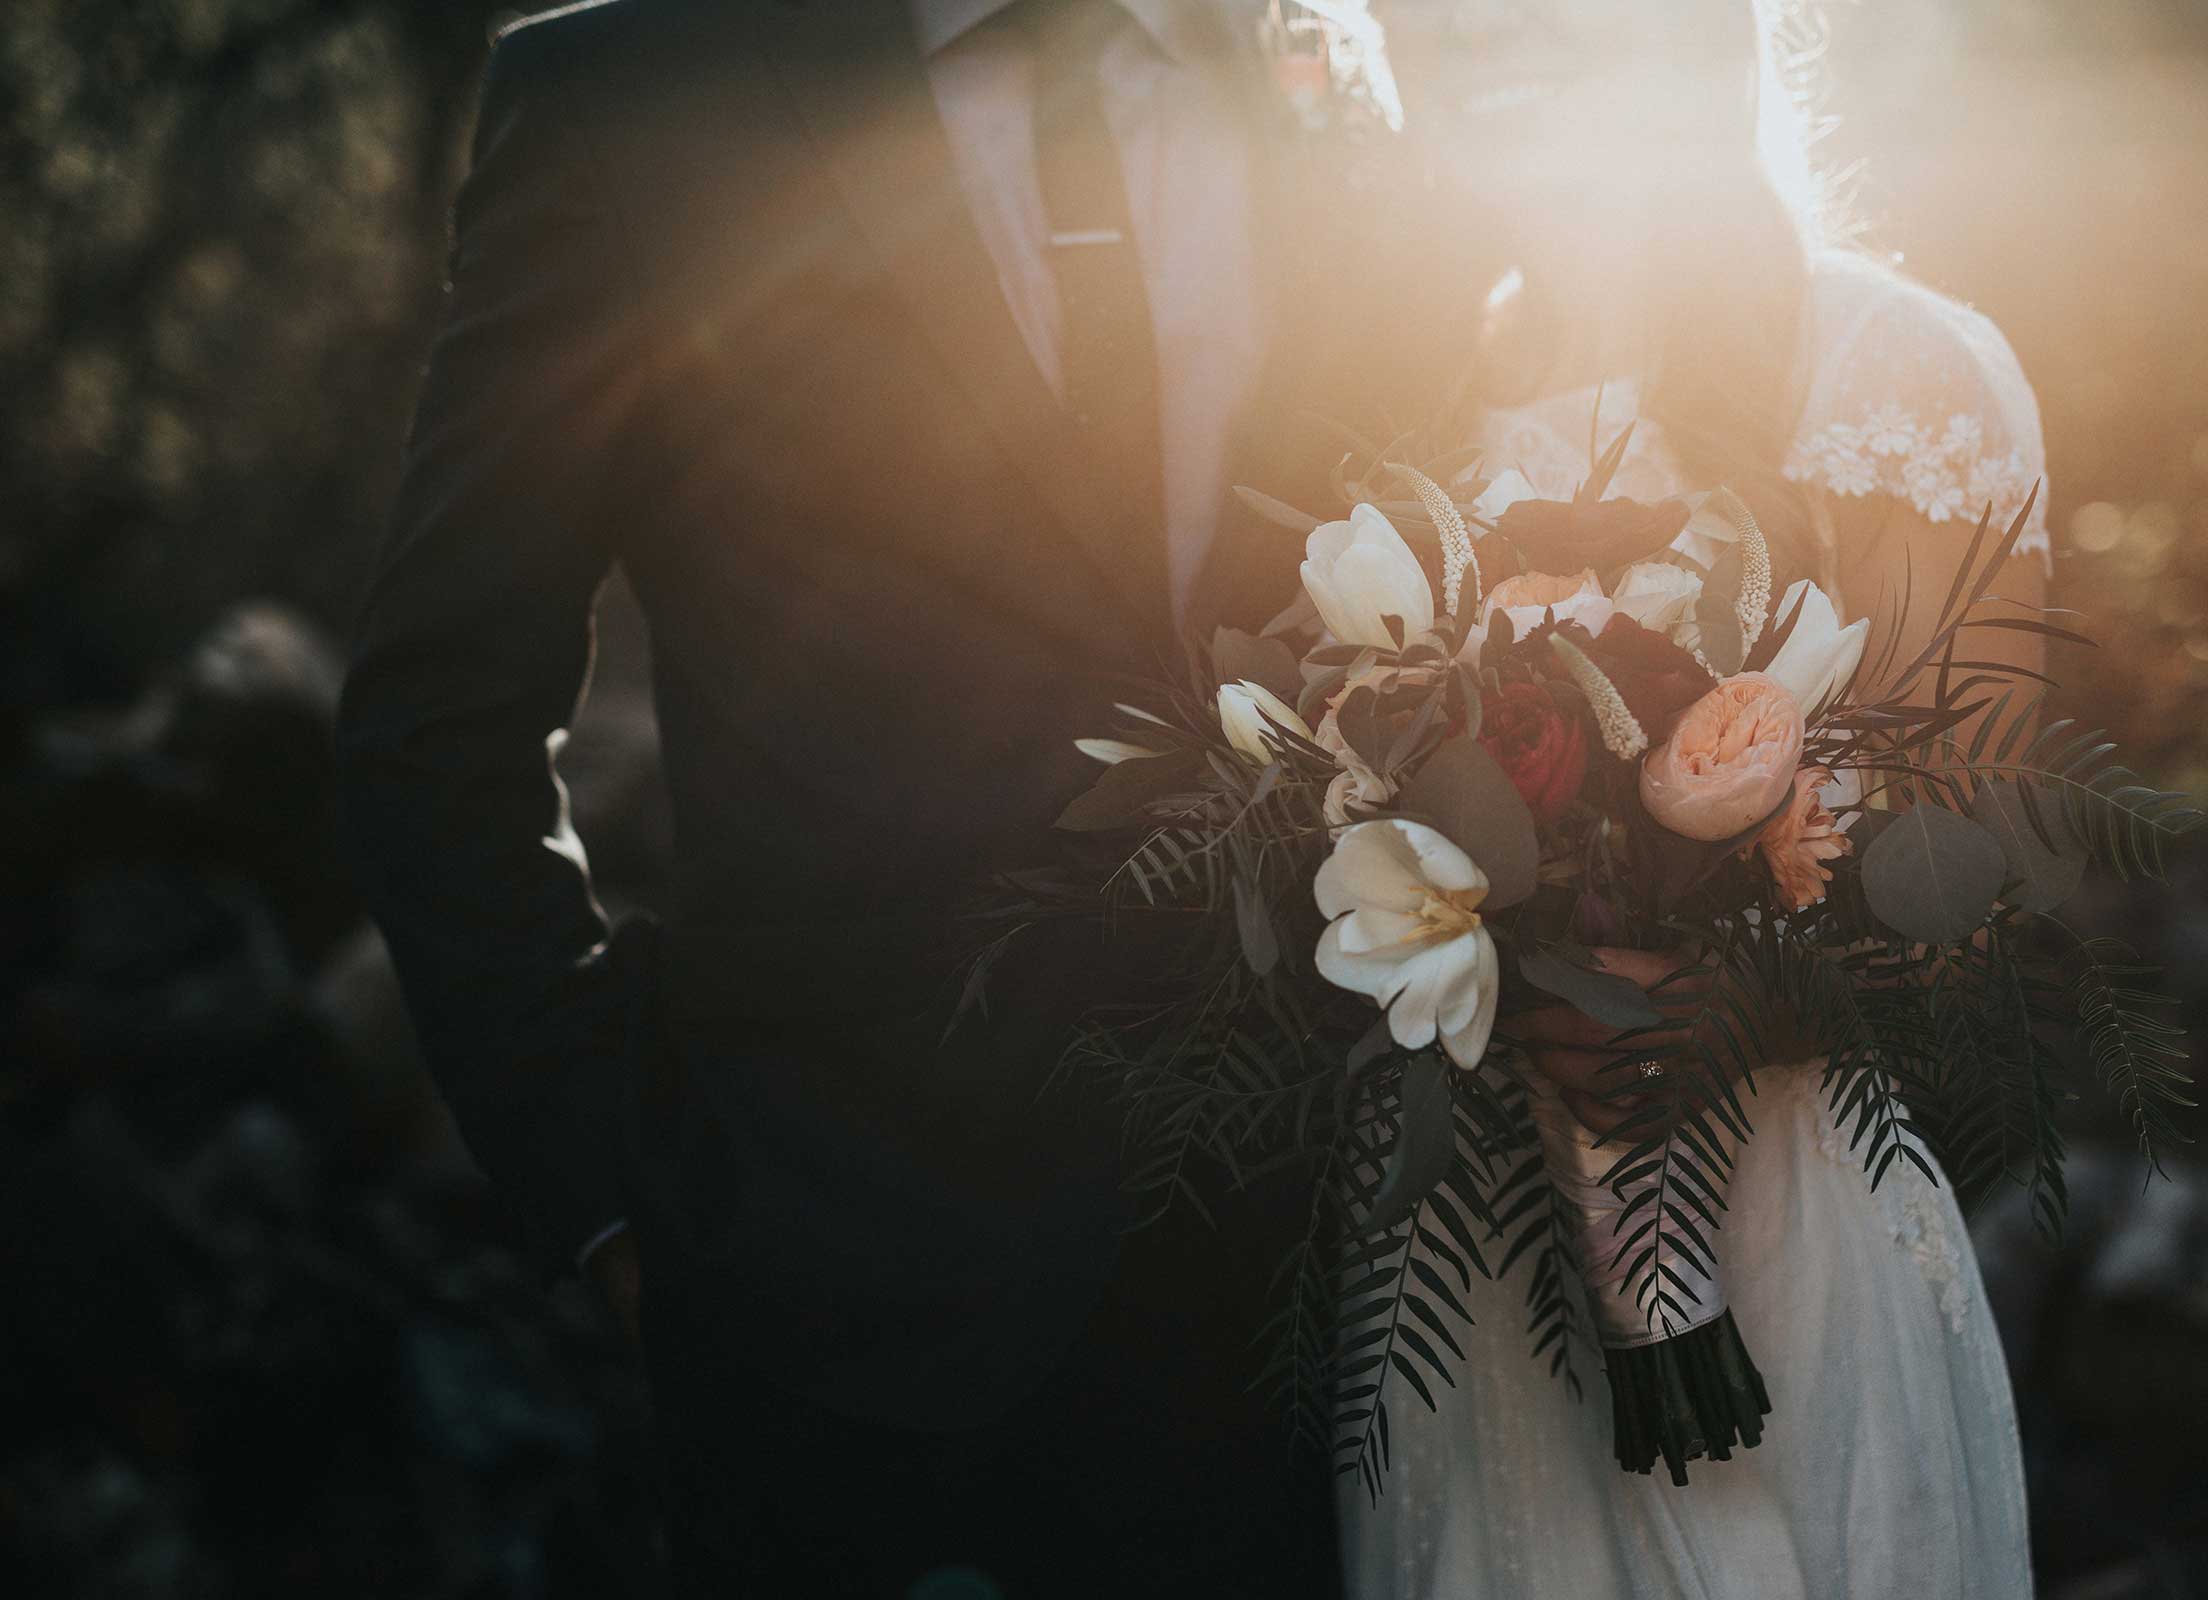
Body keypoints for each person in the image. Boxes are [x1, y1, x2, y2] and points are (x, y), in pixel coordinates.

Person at [335, 0, 1370, 1591]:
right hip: (823, 1300)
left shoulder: (1323, 69)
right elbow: (439, 706)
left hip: (1300, 1291)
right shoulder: (634, 102)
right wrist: (610, 1189)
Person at [1336, 2, 2048, 1595]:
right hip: (1460, 1295)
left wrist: (1703, 998)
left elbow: (1974, 865)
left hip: (1788, 1239)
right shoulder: (1379, 412)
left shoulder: (1891, 368)